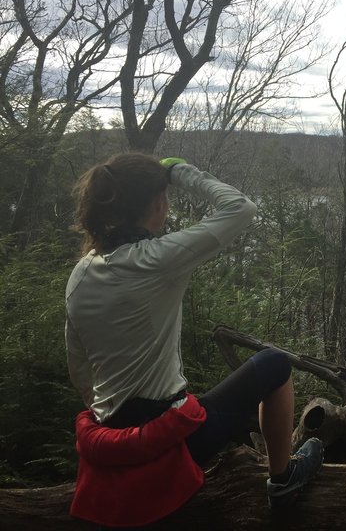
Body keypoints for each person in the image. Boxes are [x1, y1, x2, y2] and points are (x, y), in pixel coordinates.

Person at [64, 153, 322, 528]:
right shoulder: (156, 259)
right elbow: (241, 207)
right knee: (275, 364)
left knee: (198, 399)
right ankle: (282, 481)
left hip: (109, 438)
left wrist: (116, 423)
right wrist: (179, 172)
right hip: (171, 441)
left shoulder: (81, 272)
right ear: (157, 202)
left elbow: (79, 369)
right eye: (164, 197)